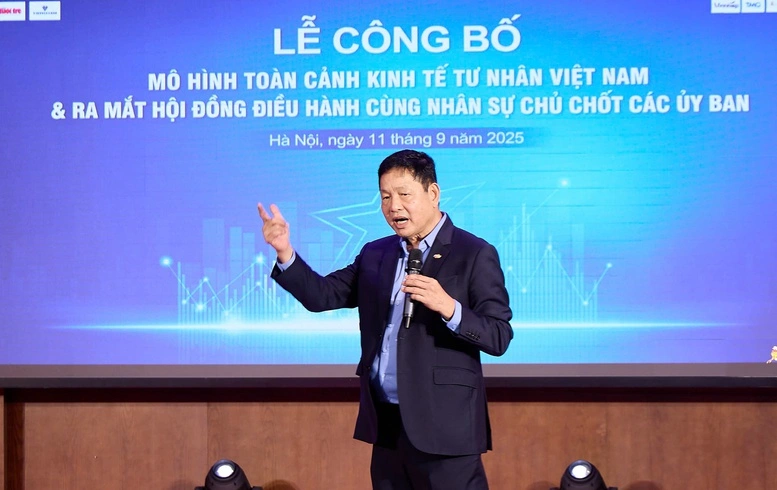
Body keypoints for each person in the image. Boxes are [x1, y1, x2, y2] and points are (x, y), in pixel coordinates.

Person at [258, 149, 513, 490]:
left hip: (445, 429)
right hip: (387, 424)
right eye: (385, 197)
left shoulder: (474, 253)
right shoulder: (376, 253)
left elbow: (498, 335)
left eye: (404, 194)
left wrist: (449, 307)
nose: (394, 207)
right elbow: (322, 296)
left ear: (433, 193)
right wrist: (285, 252)